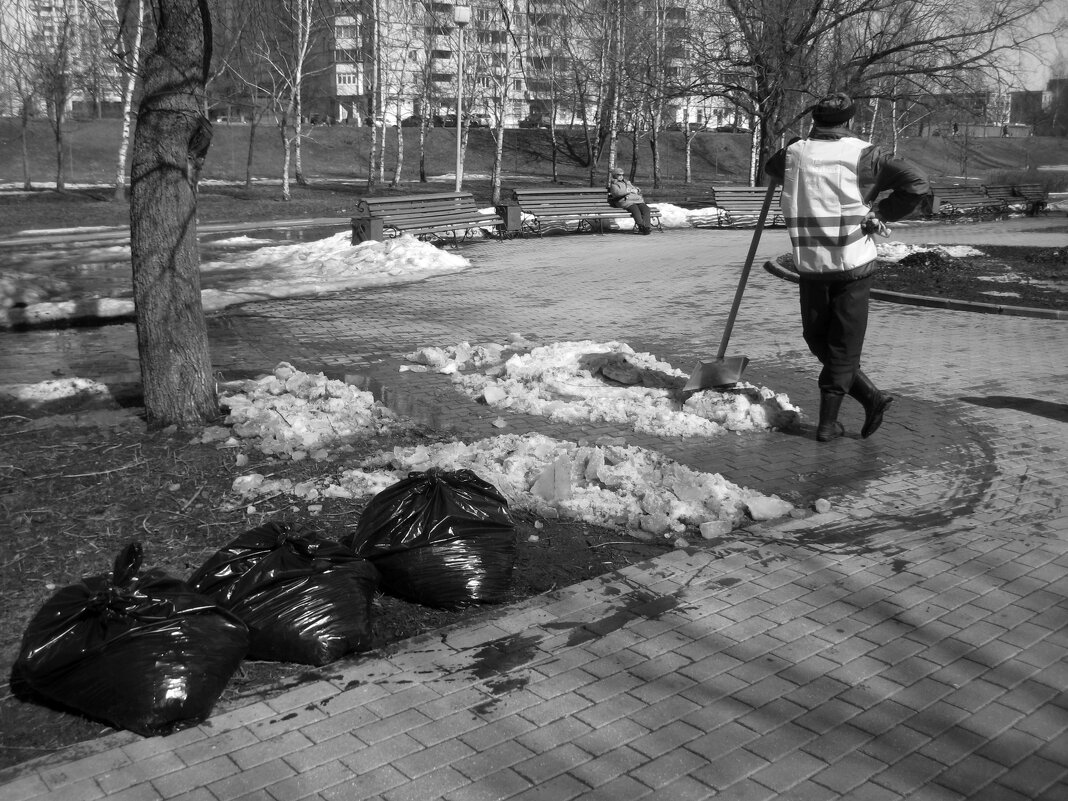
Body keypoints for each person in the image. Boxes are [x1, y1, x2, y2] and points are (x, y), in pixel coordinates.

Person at [765, 92, 930, 442]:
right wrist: (882, 213)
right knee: (831, 344)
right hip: (845, 262)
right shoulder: (865, 155)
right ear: (849, 121)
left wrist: (794, 148)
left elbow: (771, 168)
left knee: (826, 342)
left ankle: (828, 423)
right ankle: (871, 397)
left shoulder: (792, 153)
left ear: (815, 120)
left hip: (818, 265)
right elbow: (917, 182)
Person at [607, 168, 653, 234]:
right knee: (635, 209)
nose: (621, 176)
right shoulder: (614, 184)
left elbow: (635, 188)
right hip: (624, 201)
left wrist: (637, 190)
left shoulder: (627, 182)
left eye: (622, 175)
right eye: (619, 175)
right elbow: (617, 193)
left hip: (635, 200)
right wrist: (628, 191)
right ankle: (641, 226)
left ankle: (647, 227)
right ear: (614, 175)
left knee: (646, 209)